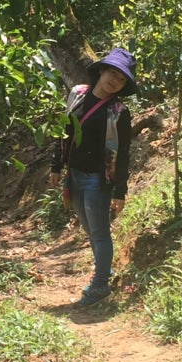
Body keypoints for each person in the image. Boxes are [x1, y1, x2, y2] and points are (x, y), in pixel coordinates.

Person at [49, 47, 137, 306]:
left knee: (99, 232)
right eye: (112, 73)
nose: (115, 81)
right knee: (89, 228)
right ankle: (104, 270)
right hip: (74, 174)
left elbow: (122, 155)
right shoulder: (77, 95)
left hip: (99, 180)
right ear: (101, 71)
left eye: (121, 79)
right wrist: (56, 165)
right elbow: (63, 131)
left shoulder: (119, 112)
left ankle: (100, 285)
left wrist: (120, 191)